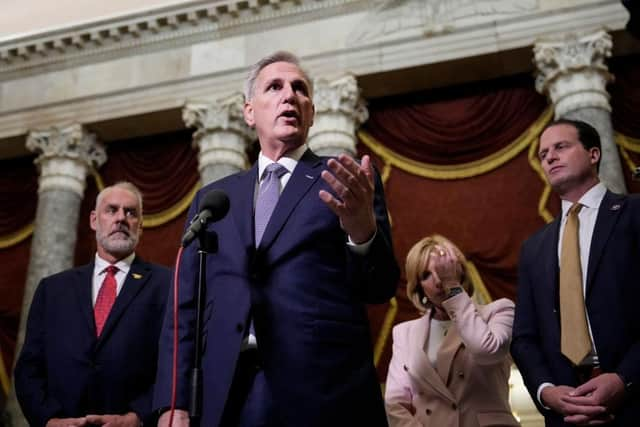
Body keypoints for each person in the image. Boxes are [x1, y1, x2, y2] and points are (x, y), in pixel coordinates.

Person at [153, 51, 400, 427]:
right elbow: (186, 308)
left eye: (300, 89)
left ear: (312, 113)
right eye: (275, 87)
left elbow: (379, 287)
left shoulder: (341, 182)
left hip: (323, 390)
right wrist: (174, 402)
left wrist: (361, 229)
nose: (290, 96)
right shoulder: (215, 199)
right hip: (226, 394)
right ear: (249, 112)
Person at [511, 118, 640, 426]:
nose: (550, 157)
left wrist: (625, 379)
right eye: (543, 154)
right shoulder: (534, 248)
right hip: (566, 413)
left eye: (561, 147)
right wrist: (547, 392)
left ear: (593, 154)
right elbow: (524, 338)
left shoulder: (634, 214)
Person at [14, 182, 172, 427]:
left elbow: (173, 365)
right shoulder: (53, 289)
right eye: (112, 210)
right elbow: (29, 368)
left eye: (130, 213)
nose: (121, 218)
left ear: (140, 227)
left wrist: (137, 418)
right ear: (94, 220)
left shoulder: (167, 284)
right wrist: (48, 420)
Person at [384, 235, 519, 427]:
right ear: (419, 287)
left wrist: (453, 286)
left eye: (443, 269)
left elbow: (485, 350)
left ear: (460, 270)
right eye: (426, 275)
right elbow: (395, 402)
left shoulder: (499, 311)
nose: (438, 280)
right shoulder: (404, 333)